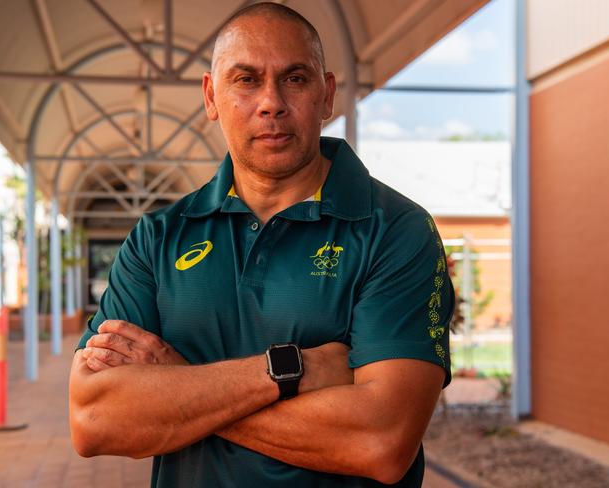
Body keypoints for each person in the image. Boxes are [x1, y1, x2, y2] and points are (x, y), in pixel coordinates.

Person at [69, 3, 454, 487]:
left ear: (327, 94)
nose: (270, 102)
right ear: (211, 97)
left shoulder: (395, 230)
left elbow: (382, 441)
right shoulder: (158, 238)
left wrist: (180, 389)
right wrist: (294, 369)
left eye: (294, 78)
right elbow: (95, 421)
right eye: (246, 80)